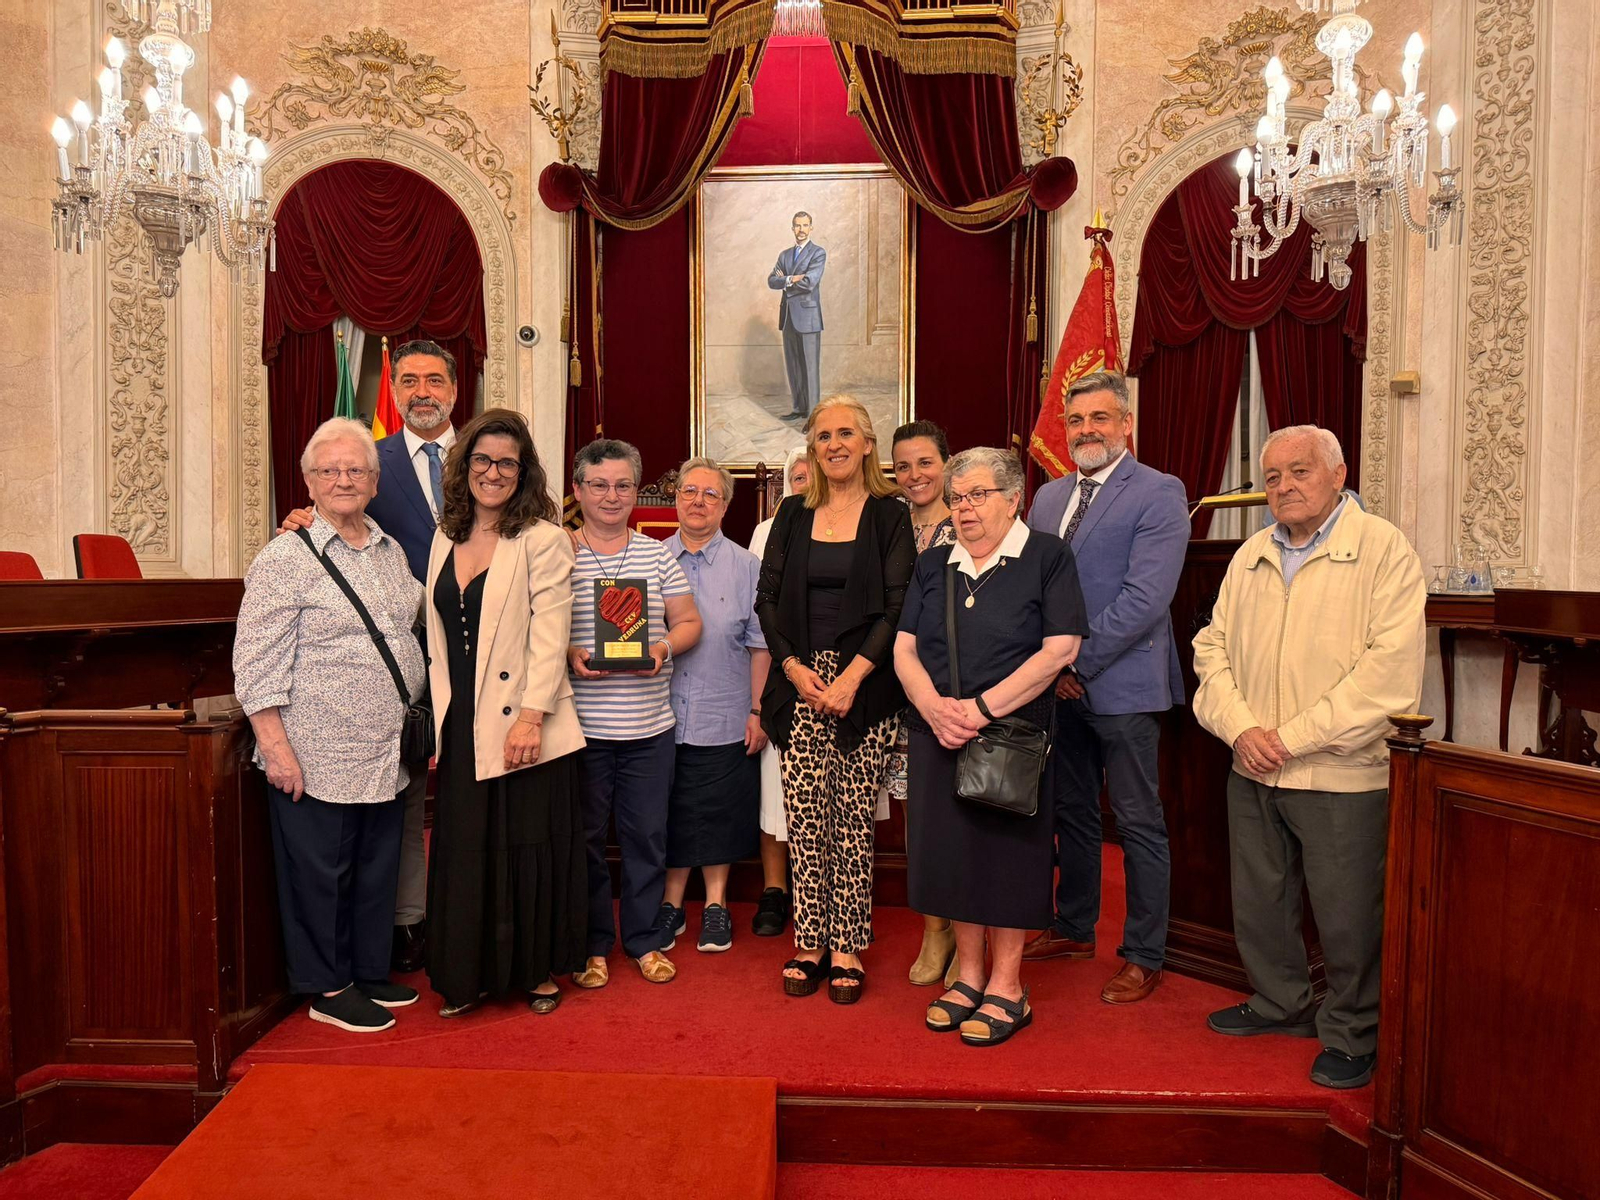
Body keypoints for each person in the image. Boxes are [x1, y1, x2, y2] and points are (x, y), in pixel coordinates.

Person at [1192, 424, 1425, 1090]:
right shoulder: (1251, 555)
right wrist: (1240, 728)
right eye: (1272, 477)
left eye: (1300, 471)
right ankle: (1280, 1004)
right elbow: (1212, 649)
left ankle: (1352, 1032)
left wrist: (1289, 738)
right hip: (1252, 763)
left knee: (1349, 916)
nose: (1285, 487)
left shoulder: (1384, 551)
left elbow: (1386, 679)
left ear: (1338, 473)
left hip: (1341, 773)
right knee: (1260, 900)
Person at [234, 417, 425, 1033]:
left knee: (375, 868)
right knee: (321, 874)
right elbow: (255, 663)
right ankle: (326, 985)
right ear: (308, 482)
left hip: (384, 746)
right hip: (315, 749)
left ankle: (367, 970)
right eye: (330, 470)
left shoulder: (390, 549)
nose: (344, 479)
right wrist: (275, 747)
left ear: (374, 482)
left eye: (356, 470)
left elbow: (418, 617)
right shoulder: (284, 557)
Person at [894, 447, 1088, 1045]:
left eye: (977, 495)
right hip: (937, 733)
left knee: (1004, 859)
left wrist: (979, 710)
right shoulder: (934, 563)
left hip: (1010, 736)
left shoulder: (1047, 557)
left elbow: (1060, 650)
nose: (964, 507)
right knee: (955, 859)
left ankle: (1008, 986)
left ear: (1013, 498)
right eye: (956, 497)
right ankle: (969, 976)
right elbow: (904, 647)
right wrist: (933, 708)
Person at [278, 338, 459, 975]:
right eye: (407, 381)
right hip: (398, 665)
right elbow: (338, 526)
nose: (420, 392)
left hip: (480, 655)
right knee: (403, 804)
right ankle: (405, 927)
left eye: (433, 380)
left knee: (474, 795)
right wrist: (305, 519)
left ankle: (466, 919)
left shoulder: (492, 457)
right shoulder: (364, 458)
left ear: (454, 390)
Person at [1022, 371, 1190, 1004]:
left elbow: (1146, 598)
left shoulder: (1158, 491)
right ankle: (1072, 926)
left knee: (1139, 822)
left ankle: (1145, 953)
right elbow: (1032, 588)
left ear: (1126, 425)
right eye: (1076, 421)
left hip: (1121, 685)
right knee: (1071, 815)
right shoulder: (1045, 498)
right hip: (1054, 689)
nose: (1086, 430)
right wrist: (1047, 668)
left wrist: (1075, 664)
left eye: (1100, 418)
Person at [422, 409, 588, 1017]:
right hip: (461, 720)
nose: (494, 473)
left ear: (524, 473)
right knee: (466, 847)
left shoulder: (540, 537)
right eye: (483, 461)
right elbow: (437, 636)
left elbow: (552, 632)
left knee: (527, 845)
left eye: (508, 464)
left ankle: (535, 973)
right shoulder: (446, 534)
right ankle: (469, 977)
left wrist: (531, 717)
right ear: (464, 467)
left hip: (524, 720)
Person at [755, 395, 913, 1002]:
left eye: (847, 433)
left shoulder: (889, 515)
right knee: (805, 815)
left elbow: (898, 605)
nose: (835, 444)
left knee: (851, 818)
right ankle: (810, 940)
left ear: (868, 443)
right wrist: (794, 670)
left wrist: (852, 678)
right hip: (799, 682)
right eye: (824, 436)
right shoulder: (792, 514)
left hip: (864, 685)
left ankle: (847, 945)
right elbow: (766, 601)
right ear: (812, 448)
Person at [566, 439, 703, 986]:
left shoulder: (656, 555)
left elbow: (690, 623)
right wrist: (568, 655)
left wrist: (662, 649)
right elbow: (533, 628)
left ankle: (645, 941)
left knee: (647, 838)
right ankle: (594, 944)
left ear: (638, 492)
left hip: (649, 731)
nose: (611, 495)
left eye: (623, 485)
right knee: (585, 841)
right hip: (580, 731)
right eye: (598, 484)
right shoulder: (559, 550)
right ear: (578, 491)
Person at [660, 457, 770, 952]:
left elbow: (761, 645)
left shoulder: (749, 567)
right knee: (671, 810)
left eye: (710, 493)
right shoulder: (648, 559)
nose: (698, 501)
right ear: (676, 500)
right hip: (656, 716)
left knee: (720, 811)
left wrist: (758, 711)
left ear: (725, 505)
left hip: (727, 712)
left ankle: (717, 906)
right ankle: (671, 904)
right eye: (689, 492)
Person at [887, 420, 960, 987]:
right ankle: (936, 929)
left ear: (946, 462)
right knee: (920, 819)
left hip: (958, 690)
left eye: (925, 463)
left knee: (965, 815)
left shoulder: (972, 519)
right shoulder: (887, 521)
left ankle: (973, 930)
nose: (914, 476)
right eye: (903, 466)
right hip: (895, 689)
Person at [746, 449, 809, 937]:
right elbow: (757, 611)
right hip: (781, 671)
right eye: (798, 476)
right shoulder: (768, 531)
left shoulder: (863, 520)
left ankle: (828, 889)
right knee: (776, 789)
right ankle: (775, 889)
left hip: (842, 672)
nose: (806, 482)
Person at [768, 211, 826, 420]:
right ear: (792, 228)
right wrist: (793, 279)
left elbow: (810, 281)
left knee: (810, 367)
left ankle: (813, 415)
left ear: (811, 227)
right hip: (788, 317)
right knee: (793, 365)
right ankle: (799, 408)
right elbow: (771, 280)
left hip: (809, 318)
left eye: (805, 225)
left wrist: (786, 281)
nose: (801, 230)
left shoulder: (818, 253)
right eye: (797, 225)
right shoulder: (784, 255)